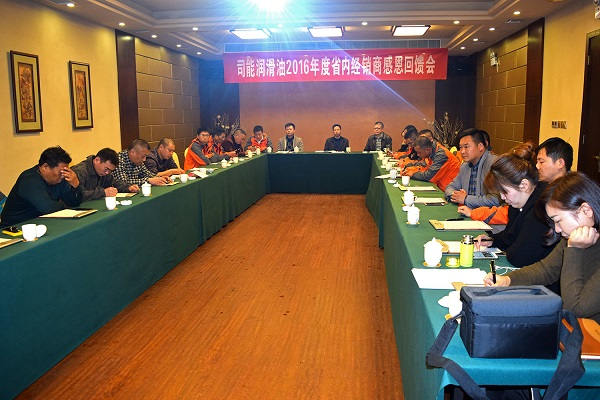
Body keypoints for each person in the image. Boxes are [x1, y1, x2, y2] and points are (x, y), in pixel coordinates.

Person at [485, 172, 600, 323]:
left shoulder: (574, 242)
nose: (557, 229)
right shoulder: (574, 237)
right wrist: (507, 280)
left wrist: (575, 250)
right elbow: (546, 270)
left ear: (586, 211)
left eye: (558, 220)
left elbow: (575, 309)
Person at [459, 136, 574, 225]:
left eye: (541, 162)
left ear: (560, 163)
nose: (537, 166)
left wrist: (474, 212)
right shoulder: (542, 185)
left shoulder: (569, 194)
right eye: (537, 161)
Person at [475, 143, 555, 268]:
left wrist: (509, 246)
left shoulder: (542, 208)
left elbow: (519, 257)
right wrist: (491, 240)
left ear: (524, 185)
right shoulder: (518, 204)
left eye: (505, 192)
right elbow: (509, 237)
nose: (502, 197)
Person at [0, 146, 82, 227]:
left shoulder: (59, 178)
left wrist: (75, 185)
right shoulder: (29, 180)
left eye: (65, 171)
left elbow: (73, 202)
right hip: (14, 228)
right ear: (45, 167)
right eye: (60, 172)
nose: (63, 175)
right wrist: (64, 206)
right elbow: (49, 209)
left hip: (40, 223)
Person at [445, 129, 499, 208]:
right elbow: (450, 187)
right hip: (468, 212)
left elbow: (496, 200)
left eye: (466, 147)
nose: (462, 151)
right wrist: (456, 195)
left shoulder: (494, 164)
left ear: (480, 147)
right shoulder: (464, 166)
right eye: (460, 147)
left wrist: (466, 199)